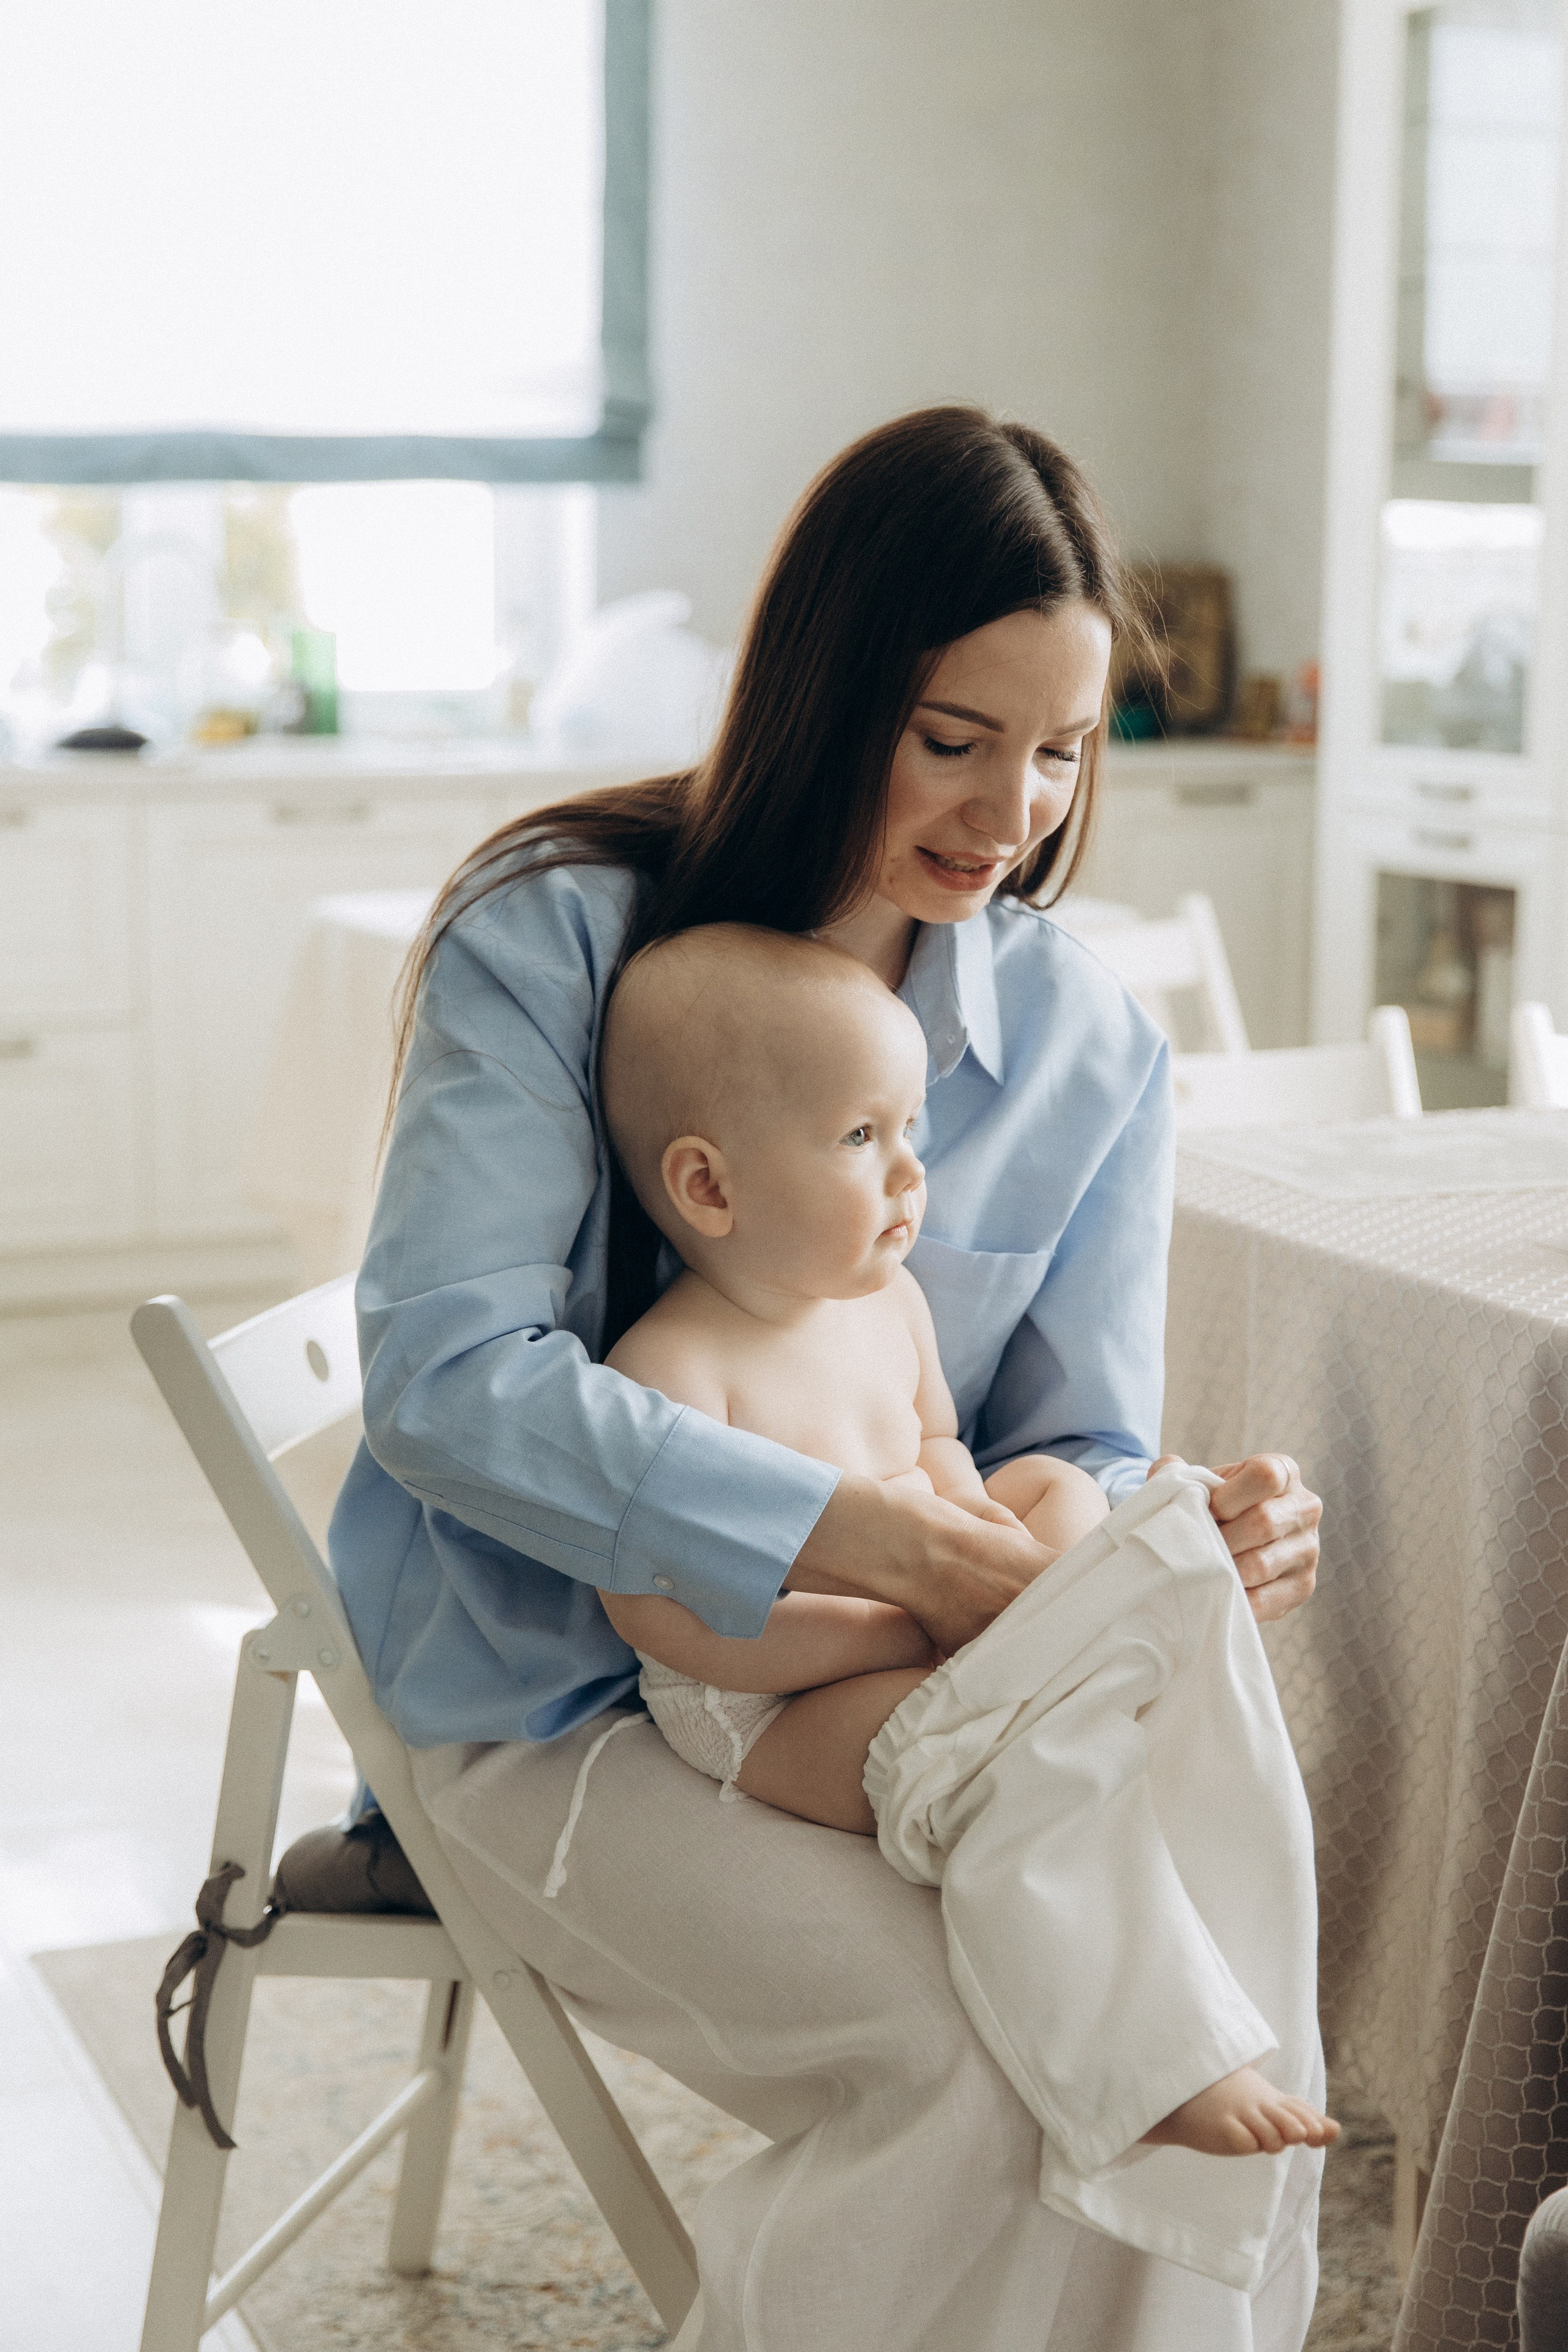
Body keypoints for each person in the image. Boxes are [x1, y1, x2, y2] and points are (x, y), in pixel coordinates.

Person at [330, 404, 1325, 2350]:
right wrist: (852, 1528)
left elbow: (1069, 1442)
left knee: (1181, 2003)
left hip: (916, 1712)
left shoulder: (1089, 1049)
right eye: (953, 739)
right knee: (979, 2059)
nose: (1010, 808)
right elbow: (447, 1376)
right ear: (822, 689)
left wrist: (1172, 1523)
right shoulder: (557, 943)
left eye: (1062, 751)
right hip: (554, 1715)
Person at [594, 920, 1336, 2275]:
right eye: (860, 1139)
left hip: (924, 1624)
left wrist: (987, 1530)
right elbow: (668, 1622)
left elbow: (941, 1455)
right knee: (1016, 1774)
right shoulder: (672, 1375)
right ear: (708, 1186)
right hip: (765, 1699)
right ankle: (1152, 2062)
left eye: (911, 1130)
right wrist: (911, 1622)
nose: (913, 1175)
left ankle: (1085, 1661)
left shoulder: (886, 1309)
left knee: (1053, 1481)